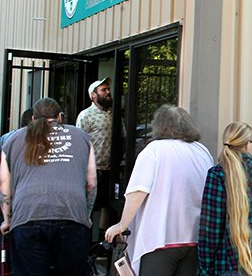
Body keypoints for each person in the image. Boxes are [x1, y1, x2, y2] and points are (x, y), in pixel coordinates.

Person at [105, 105, 214, 275]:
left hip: (159, 238)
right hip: (194, 238)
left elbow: (137, 193)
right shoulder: (202, 151)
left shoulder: (154, 150)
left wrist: (121, 225)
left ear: (159, 125)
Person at [0, 97, 96, 275]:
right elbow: (91, 182)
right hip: (71, 213)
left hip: (27, 215)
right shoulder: (81, 136)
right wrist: (86, 214)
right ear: (60, 117)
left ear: (33, 119)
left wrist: (7, 219)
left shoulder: (13, 139)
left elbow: (4, 184)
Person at [199, 122, 252, 276]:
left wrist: (205, 267)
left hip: (229, 263)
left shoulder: (217, 175)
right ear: (248, 144)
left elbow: (211, 229)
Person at [77, 77, 114, 229]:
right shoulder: (86, 115)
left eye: (108, 89)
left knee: (108, 204)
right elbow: (79, 141)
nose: (107, 92)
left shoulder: (113, 114)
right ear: (93, 95)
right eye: (103, 90)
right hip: (93, 168)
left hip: (111, 168)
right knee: (90, 205)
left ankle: (103, 242)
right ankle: (87, 241)